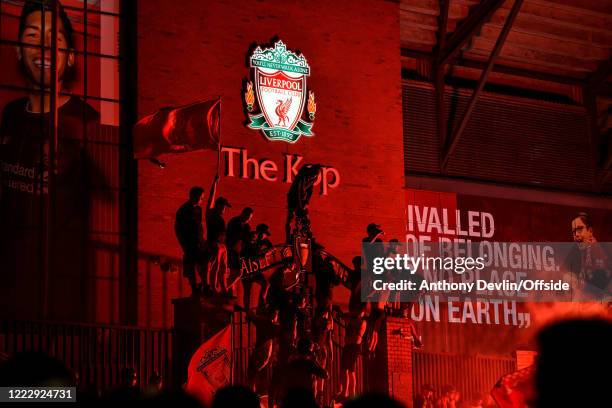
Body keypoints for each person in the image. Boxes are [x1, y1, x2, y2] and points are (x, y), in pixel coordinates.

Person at [0, 0, 104, 320]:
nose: (44, 46)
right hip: (9, 287)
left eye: (55, 40)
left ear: (70, 57)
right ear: (18, 51)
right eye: (32, 36)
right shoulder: (11, 115)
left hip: (61, 297)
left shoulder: (88, 121)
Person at [175, 186, 207, 295]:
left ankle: (203, 285)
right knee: (191, 265)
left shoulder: (198, 209)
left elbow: (199, 225)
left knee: (202, 263)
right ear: (192, 196)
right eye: (200, 197)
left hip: (198, 241)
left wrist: (202, 240)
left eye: (202, 198)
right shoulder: (183, 210)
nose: (201, 200)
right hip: (189, 242)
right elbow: (178, 228)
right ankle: (194, 288)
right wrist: (184, 244)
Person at [205, 174, 231, 293]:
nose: (224, 209)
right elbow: (210, 200)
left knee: (224, 267)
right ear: (219, 205)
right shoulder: (211, 215)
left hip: (223, 245)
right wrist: (214, 184)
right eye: (224, 206)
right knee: (216, 266)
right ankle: (213, 287)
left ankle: (224, 288)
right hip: (214, 243)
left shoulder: (220, 218)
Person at [338, 308, 367, 401]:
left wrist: (351, 318)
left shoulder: (362, 322)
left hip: (354, 347)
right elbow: (344, 317)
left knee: (349, 370)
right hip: (349, 346)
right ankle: (347, 393)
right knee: (346, 369)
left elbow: (358, 336)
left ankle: (349, 393)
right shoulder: (353, 319)